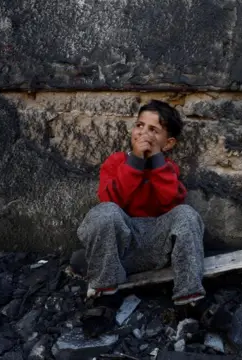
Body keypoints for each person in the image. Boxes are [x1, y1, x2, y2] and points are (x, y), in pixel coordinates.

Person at [76, 99, 206, 306]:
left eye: (153, 130)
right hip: (119, 251)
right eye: (139, 126)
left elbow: (170, 203)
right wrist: (135, 162)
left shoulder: (168, 169)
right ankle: (104, 296)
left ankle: (189, 299)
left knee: (187, 213)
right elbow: (111, 201)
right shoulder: (116, 162)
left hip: (157, 248)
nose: (144, 134)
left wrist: (155, 161)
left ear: (168, 143)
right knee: (105, 212)